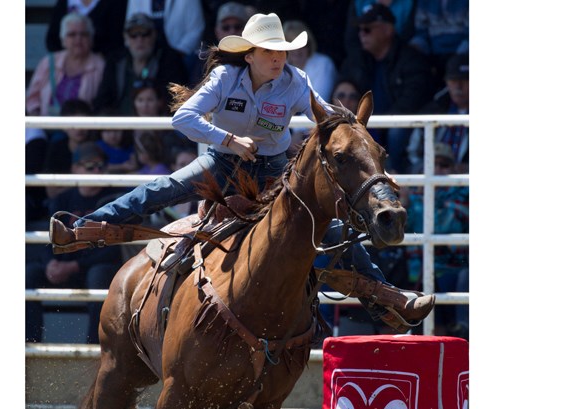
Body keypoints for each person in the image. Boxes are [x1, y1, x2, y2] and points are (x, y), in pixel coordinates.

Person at [49, 12, 435, 329]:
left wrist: (370, 163)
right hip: (224, 162)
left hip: (274, 169)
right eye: (269, 51)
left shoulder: (296, 82)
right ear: (249, 55)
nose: (278, 58)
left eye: (281, 51)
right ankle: (82, 229)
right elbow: (183, 117)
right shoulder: (224, 78)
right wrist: (229, 140)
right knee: (163, 189)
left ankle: (388, 296)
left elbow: (331, 121)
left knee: (330, 227)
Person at [26, 142, 126, 344]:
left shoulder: (114, 199)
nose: (96, 172)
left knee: (99, 274)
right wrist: (50, 265)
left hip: (89, 268)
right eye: (90, 167)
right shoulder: (62, 201)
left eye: (101, 167)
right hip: (64, 267)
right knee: (29, 274)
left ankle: (96, 347)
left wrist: (74, 266)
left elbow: (113, 250)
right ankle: (30, 343)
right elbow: (47, 239)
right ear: (75, 169)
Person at [339, 3, 433, 173]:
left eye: (367, 30)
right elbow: (347, 85)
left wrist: (380, 124)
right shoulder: (360, 59)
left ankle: (395, 174)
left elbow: (411, 101)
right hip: (369, 123)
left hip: (397, 125)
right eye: (360, 30)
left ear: (387, 30)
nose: (361, 35)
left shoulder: (411, 59)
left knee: (396, 131)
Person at [402, 142, 468, 338]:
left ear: (454, 170)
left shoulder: (465, 194)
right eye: (434, 164)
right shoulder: (411, 198)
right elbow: (403, 228)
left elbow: (448, 227)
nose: (438, 170)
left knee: (445, 284)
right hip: (415, 271)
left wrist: (427, 200)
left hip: (452, 269)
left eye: (444, 165)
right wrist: (406, 202)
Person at [92, 13, 189, 115]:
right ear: (126, 38)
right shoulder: (115, 61)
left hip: (158, 126)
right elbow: (103, 101)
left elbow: (176, 101)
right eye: (133, 34)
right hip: (121, 126)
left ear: (154, 35)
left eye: (145, 33)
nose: (139, 39)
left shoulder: (169, 60)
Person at [26, 12, 105, 116]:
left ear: (91, 39)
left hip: (82, 128)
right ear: (63, 40)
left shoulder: (100, 66)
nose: (78, 39)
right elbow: (32, 97)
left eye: (83, 34)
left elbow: (102, 104)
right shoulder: (48, 62)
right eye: (72, 34)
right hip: (45, 125)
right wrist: (37, 121)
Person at [406, 52, 469, 174]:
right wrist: (425, 169)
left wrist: (467, 169)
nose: (458, 86)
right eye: (453, 80)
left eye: (465, 80)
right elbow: (413, 154)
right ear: (446, 82)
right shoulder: (433, 111)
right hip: (431, 179)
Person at [42, 99, 95, 198]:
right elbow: (51, 193)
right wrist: (83, 183)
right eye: (73, 124)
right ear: (63, 126)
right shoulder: (56, 149)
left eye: (83, 123)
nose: (79, 129)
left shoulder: (98, 147)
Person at [45, 0, 128, 58]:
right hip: (65, 66)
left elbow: (116, 42)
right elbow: (52, 39)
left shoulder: (116, 2)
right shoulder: (64, 2)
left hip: (101, 67)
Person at [283, 20, 339, 102]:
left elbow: (318, 102)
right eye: (291, 43)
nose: (297, 49)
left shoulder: (324, 64)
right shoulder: (279, 66)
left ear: (309, 45)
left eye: (301, 44)